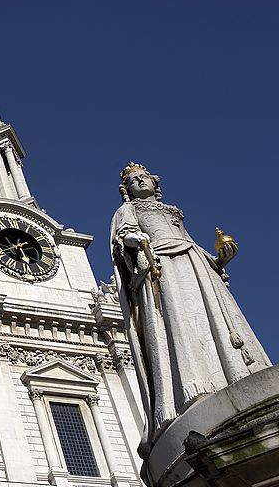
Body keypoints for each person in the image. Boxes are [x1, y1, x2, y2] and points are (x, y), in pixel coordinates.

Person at [111, 162, 271, 457]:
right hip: (163, 265)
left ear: (155, 182)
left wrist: (218, 260)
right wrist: (136, 239)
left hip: (194, 262)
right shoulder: (127, 211)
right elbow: (123, 238)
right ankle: (194, 387)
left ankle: (232, 374)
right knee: (178, 321)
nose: (140, 182)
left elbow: (187, 240)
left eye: (144, 177)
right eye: (134, 181)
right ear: (126, 190)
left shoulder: (170, 209)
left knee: (211, 320)